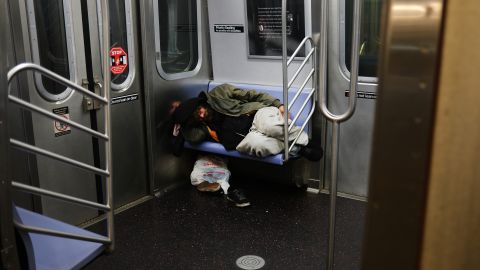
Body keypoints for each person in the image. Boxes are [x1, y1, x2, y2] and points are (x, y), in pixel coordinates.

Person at [170, 84, 323, 207]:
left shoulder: (219, 92)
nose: (202, 114)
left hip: (257, 115)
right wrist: (180, 119)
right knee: (259, 145)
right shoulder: (202, 126)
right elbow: (193, 138)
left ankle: (307, 142)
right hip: (247, 138)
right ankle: (299, 149)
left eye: (200, 110)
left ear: (200, 103)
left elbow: (251, 94)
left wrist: (279, 105)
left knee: (272, 127)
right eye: (198, 116)